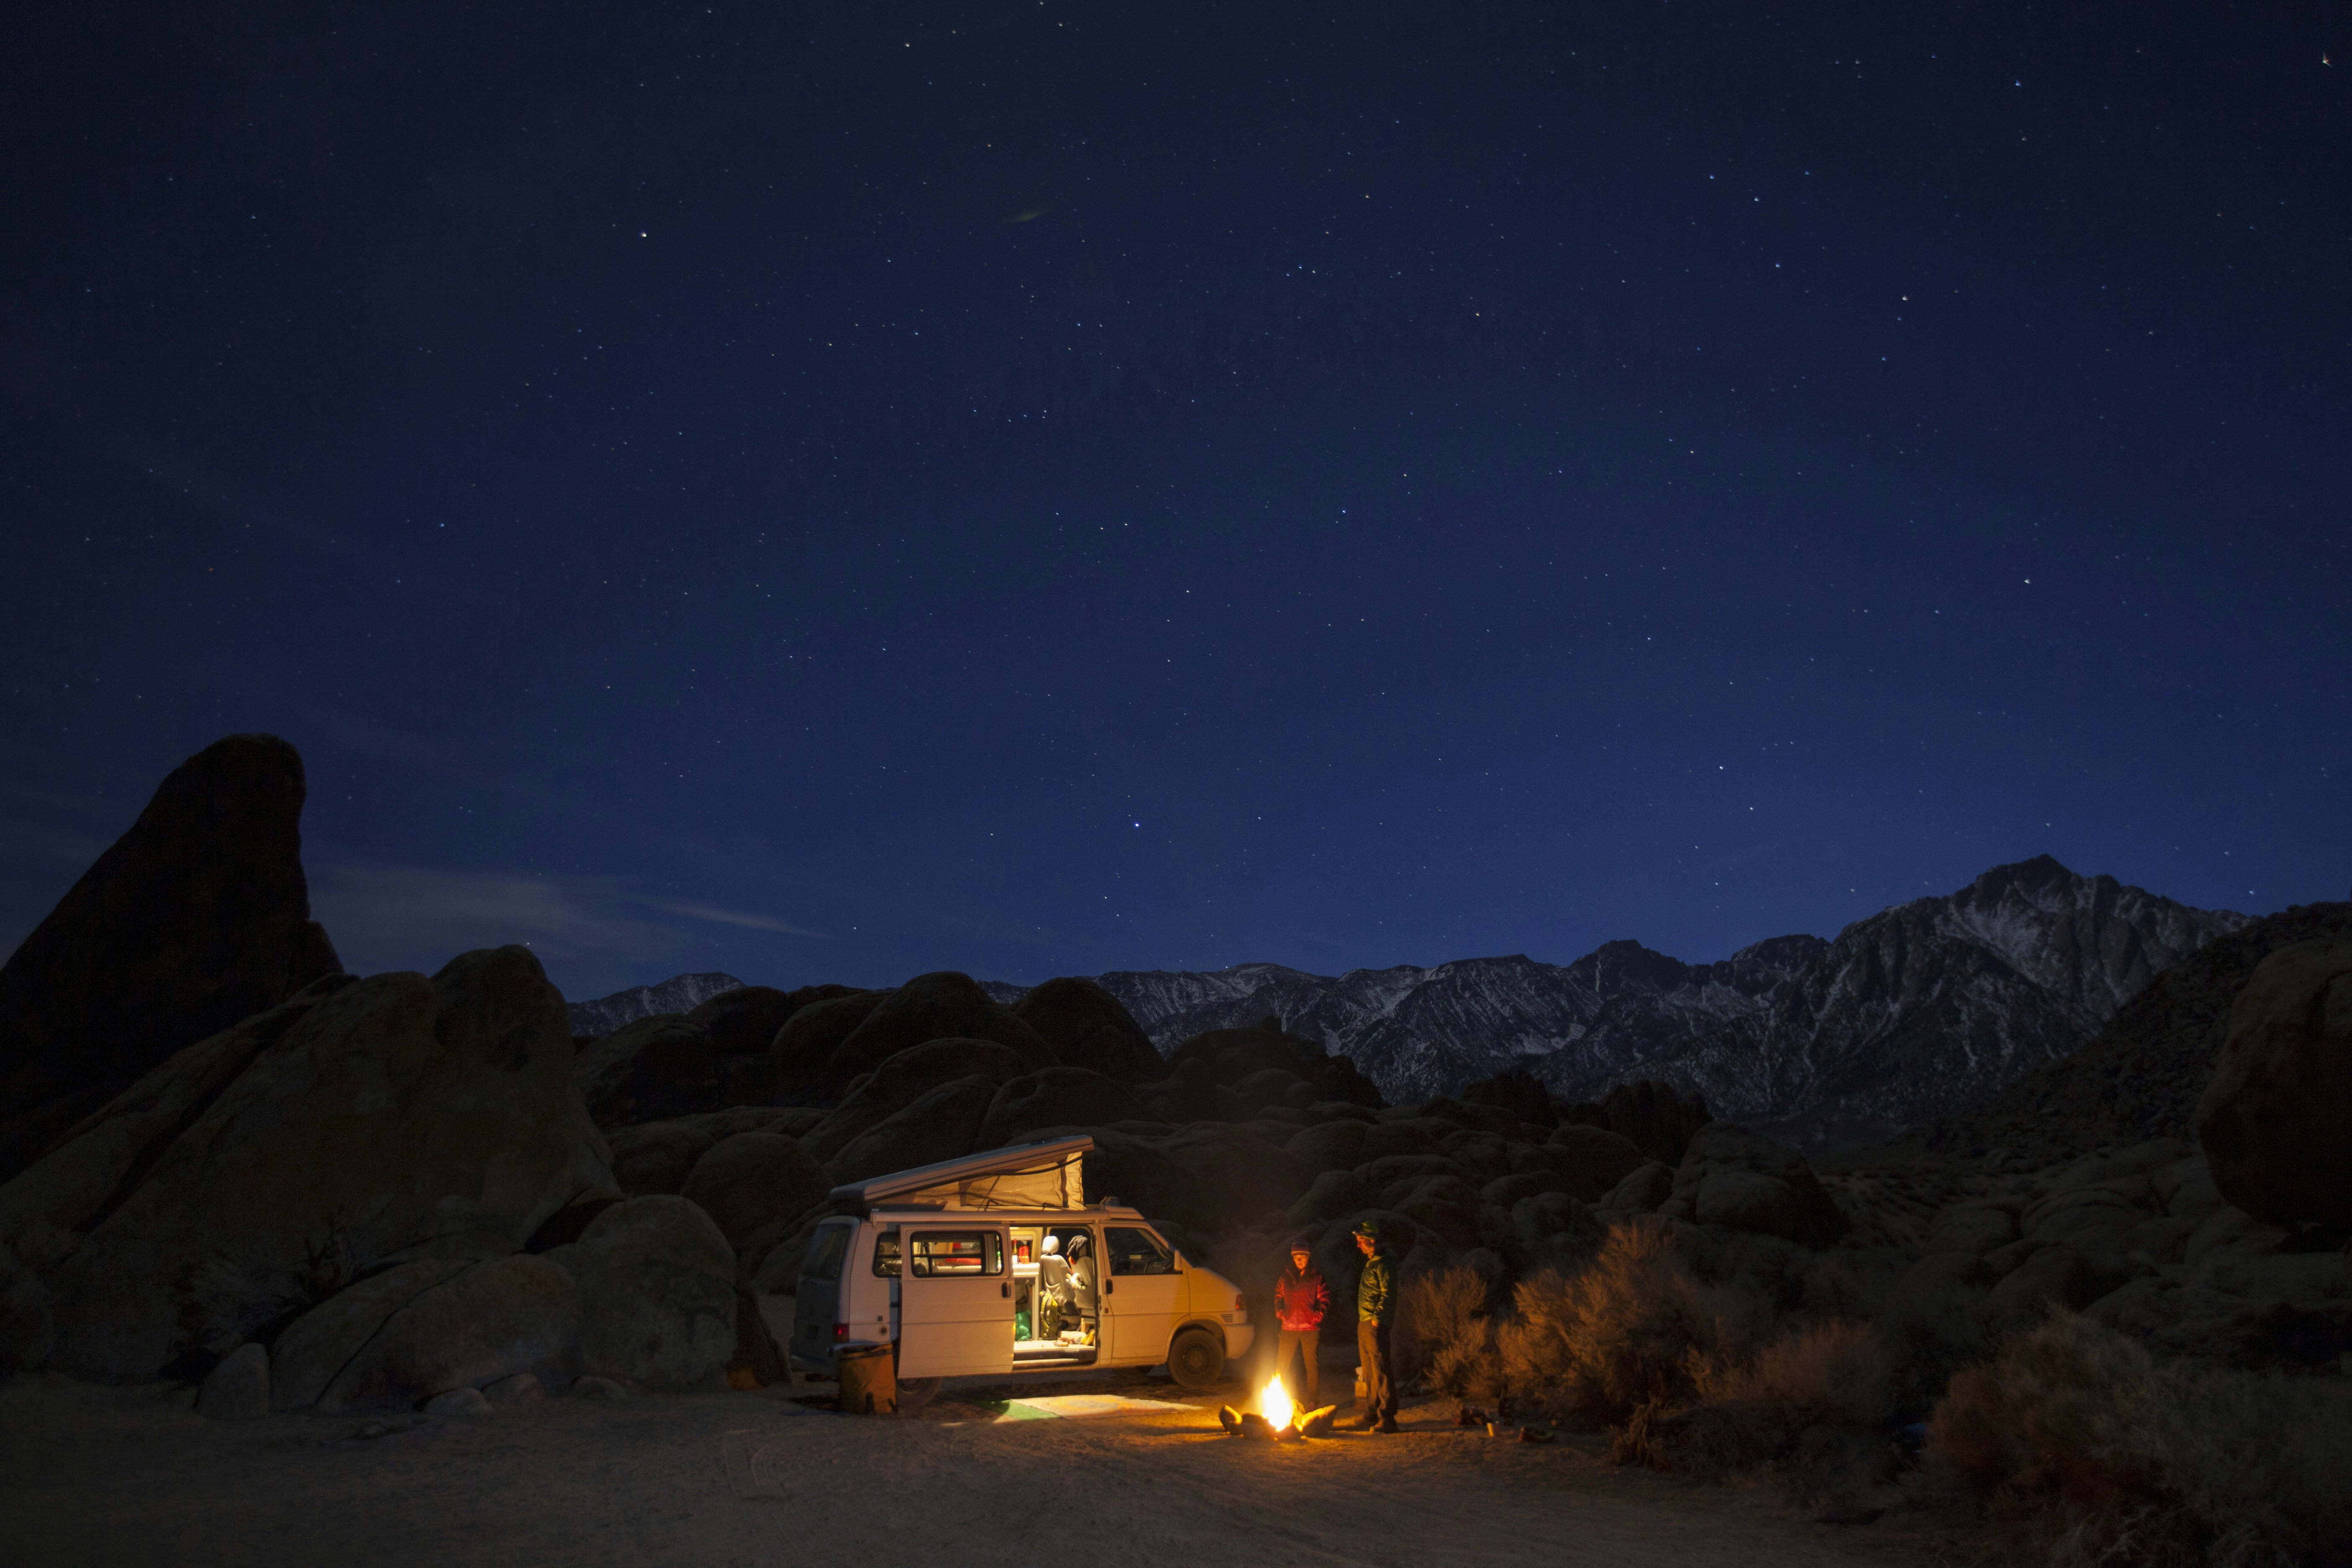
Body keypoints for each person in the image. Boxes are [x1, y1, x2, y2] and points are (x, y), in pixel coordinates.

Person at [1349, 1219, 1398, 1432]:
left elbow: (1388, 1292)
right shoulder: (1372, 1261)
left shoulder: (1384, 1262)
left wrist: (1378, 1318)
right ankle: (1371, 1413)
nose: (1358, 1245)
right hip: (1365, 1322)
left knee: (1381, 1369)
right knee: (1369, 1371)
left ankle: (1387, 1417)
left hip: (1374, 1323)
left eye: (1361, 1241)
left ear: (1372, 1241)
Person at [1272, 1241, 1330, 1406]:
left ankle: (1313, 1400)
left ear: (1308, 1258)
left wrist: (1316, 1317)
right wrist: (1280, 1312)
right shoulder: (1285, 1278)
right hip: (1288, 1328)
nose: (1299, 1260)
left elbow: (1324, 1299)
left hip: (1310, 1328)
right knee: (1283, 1364)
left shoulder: (1317, 1278)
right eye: (1297, 1257)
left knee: (1311, 1366)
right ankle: (1279, 1398)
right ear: (1293, 1258)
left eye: (1303, 1257)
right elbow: (1278, 1295)